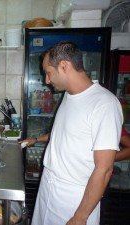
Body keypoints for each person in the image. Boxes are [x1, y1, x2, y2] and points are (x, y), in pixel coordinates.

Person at [20, 41, 123, 225]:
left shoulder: (104, 104)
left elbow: (104, 168)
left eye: (48, 73)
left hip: (75, 198)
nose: (47, 80)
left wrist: (80, 217)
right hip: (48, 187)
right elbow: (64, 134)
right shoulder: (69, 95)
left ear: (64, 66)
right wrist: (36, 139)